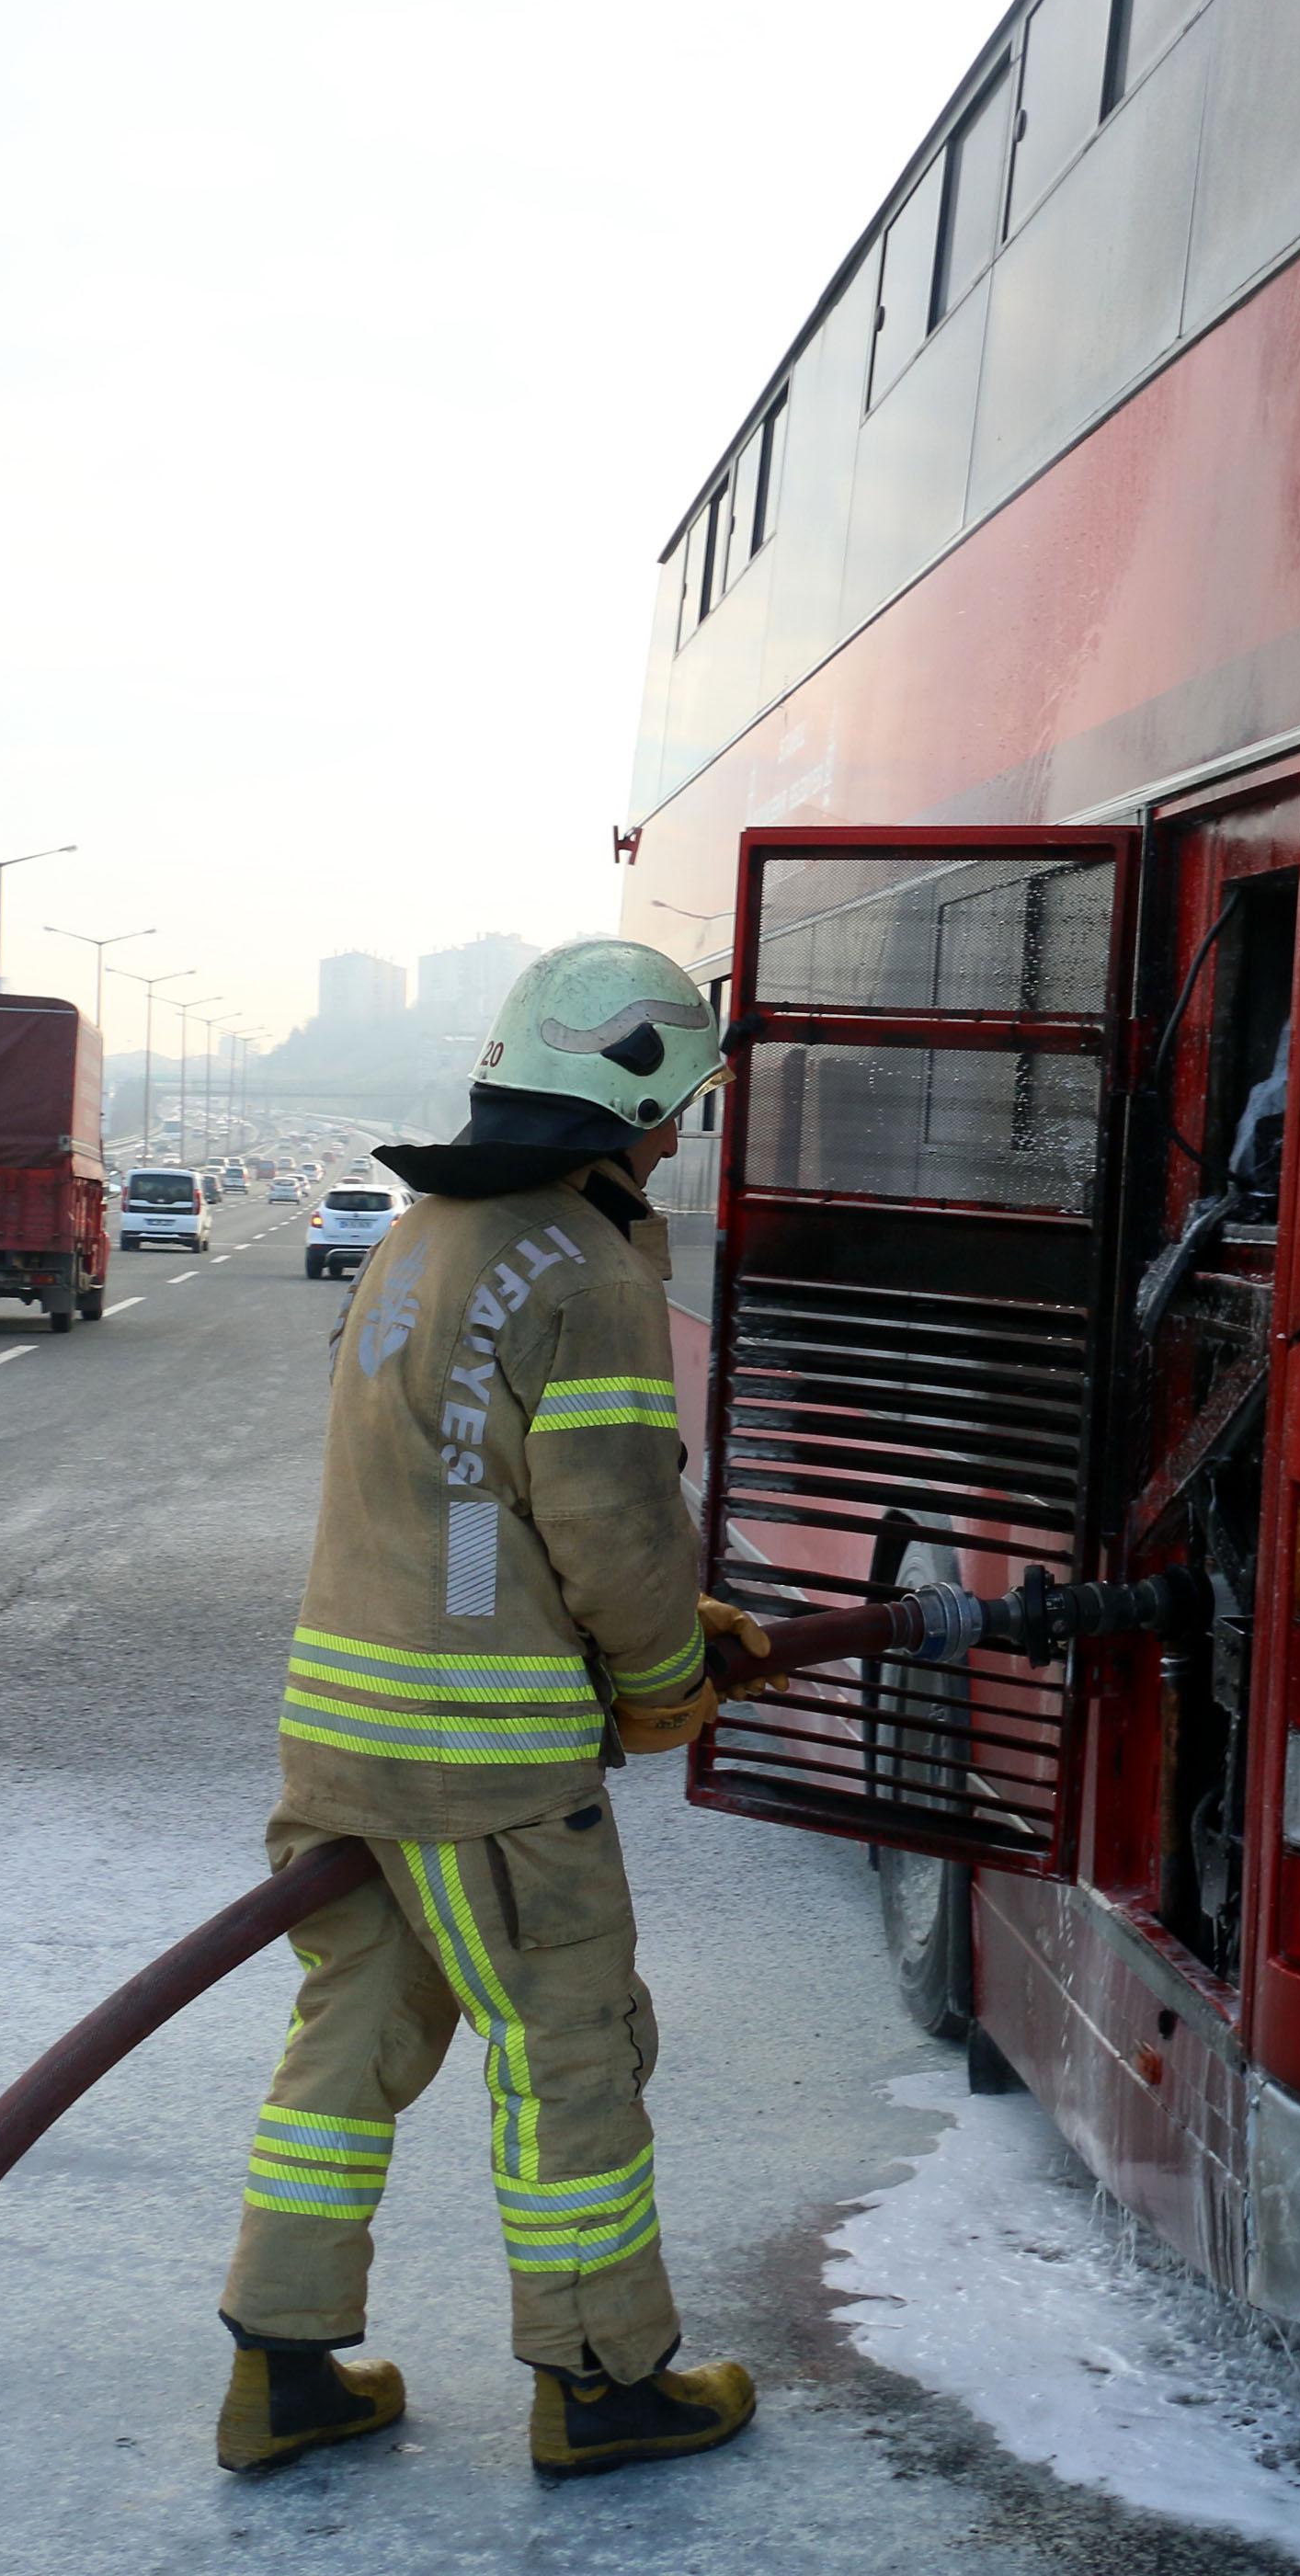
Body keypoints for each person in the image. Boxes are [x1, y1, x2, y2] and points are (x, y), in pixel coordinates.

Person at [211, 938, 776, 2480]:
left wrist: (638, 1635)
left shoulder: (422, 1237)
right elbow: (609, 1525)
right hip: (489, 1769)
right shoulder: (584, 1273)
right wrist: (666, 1683)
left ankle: (284, 2369)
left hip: (347, 1737)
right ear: (628, 1100)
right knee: (572, 2054)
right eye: (679, 1112)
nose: (679, 1141)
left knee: (352, 2043)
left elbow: (465, 1503)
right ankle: (604, 2387)